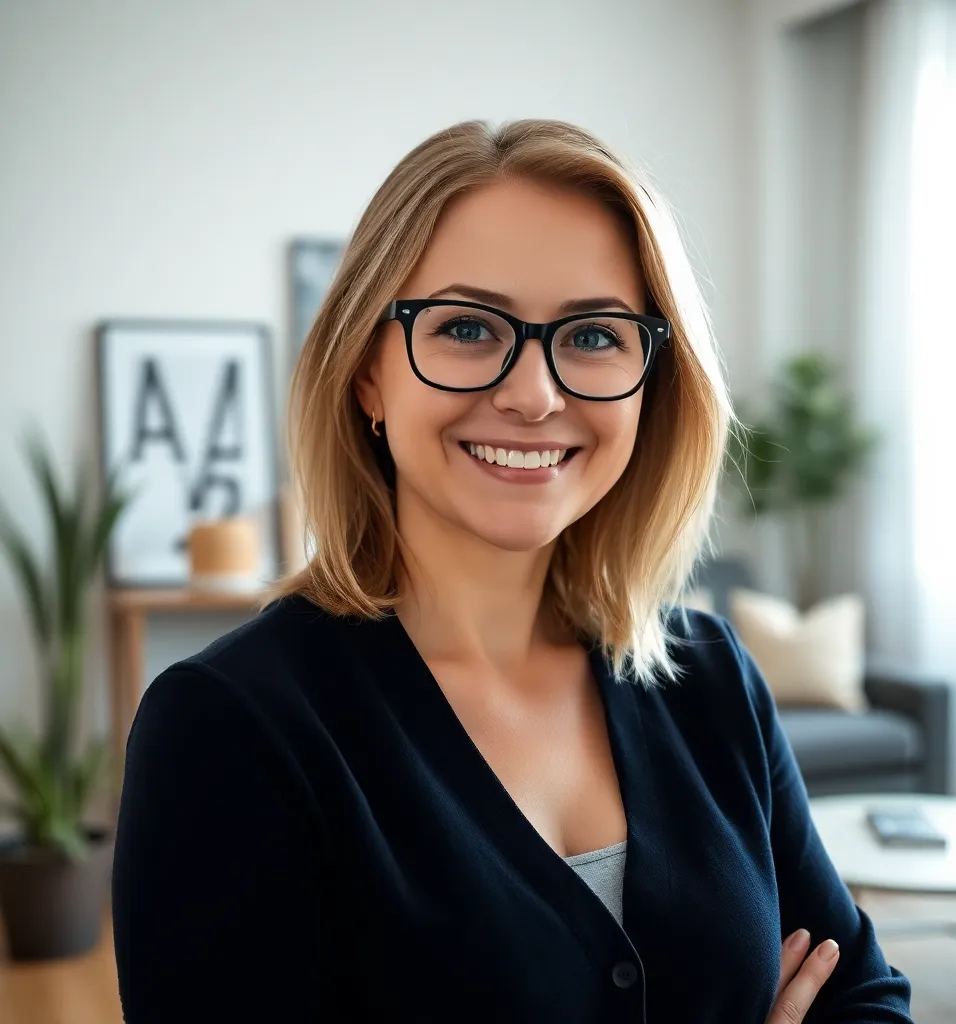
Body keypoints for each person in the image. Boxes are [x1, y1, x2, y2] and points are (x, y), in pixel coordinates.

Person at [111, 119, 913, 1023]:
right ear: (367, 374)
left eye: (595, 337)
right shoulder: (228, 728)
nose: (533, 395)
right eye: (464, 327)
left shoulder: (710, 673)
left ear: (653, 382)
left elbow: (864, 995)